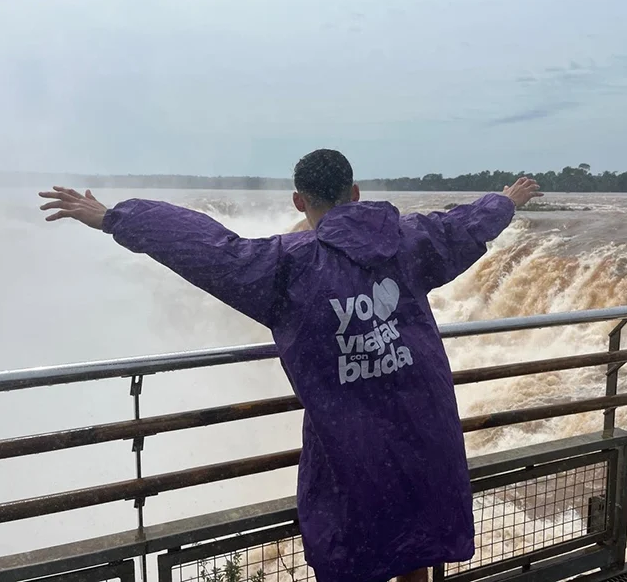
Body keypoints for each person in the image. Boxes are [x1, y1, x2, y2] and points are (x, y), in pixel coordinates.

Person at [39, 149, 541, 582]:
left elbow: (206, 247)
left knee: (354, 544)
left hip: (351, 439)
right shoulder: (411, 241)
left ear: (299, 201)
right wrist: (508, 199)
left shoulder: (286, 265)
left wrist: (112, 218)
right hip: (423, 425)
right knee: (421, 538)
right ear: (356, 192)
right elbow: (467, 223)